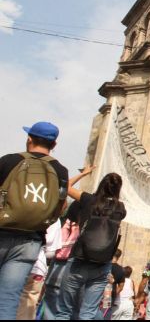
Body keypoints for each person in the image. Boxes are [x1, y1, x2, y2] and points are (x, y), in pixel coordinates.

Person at [0, 122, 69, 319]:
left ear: (29, 138)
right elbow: (61, 206)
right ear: (53, 144)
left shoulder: (9, 161)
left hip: (2, 230)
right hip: (30, 241)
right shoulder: (60, 170)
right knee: (9, 299)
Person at [57, 171, 127, 320]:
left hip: (80, 259)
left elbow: (66, 186)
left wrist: (84, 174)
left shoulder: (89, 200)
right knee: (88, 313)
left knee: (64, 311)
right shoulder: (120, 209)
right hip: (102, 264)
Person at [16, 217, 64, 319]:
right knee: (27, 302)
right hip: (37, 266)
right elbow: (51, 252)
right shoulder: (53, 217)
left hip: (8, 261)